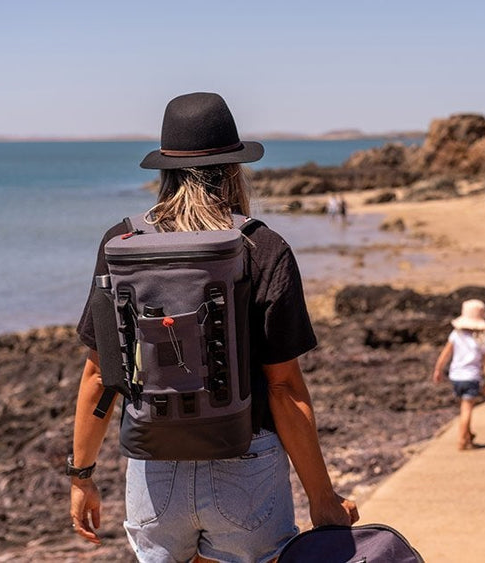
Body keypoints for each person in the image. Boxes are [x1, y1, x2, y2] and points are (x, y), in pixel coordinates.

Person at [69, 92, 358, 562]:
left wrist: (81, 476)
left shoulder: (120, 243)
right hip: (246, 465)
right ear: (233, 169)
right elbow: (283, 387)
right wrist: (322, 498)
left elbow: (98, 375)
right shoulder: (263, 247)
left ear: (165, 171)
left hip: (154, 470)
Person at [432, 299, 485, 450]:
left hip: (456, 377)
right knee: (467, 409)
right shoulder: (483, 339)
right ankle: (462, 439)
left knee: (463, 407)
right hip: (471, 377)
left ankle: (468, 435)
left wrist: (438, 370)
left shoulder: (456, 335)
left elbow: (445, 354)